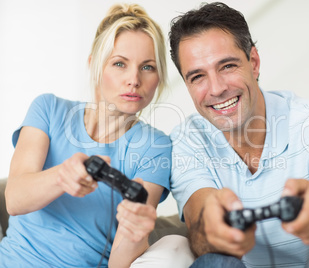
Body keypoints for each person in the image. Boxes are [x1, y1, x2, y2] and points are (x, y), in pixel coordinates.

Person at [168, 2, 309, 267]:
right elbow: (201, 232)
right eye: (198, 76)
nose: (217, 89)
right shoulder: (187, 140)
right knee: (213, 262)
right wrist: (214, 231)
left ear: (253, 63)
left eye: (227, 66)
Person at [0, 3, 193, 268]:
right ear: (94, 65)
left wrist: (136, 233)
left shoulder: (156, 147)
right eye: (119, 63)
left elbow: (119, 262)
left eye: (147, 67)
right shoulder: (48, 109)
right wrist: (61, 176)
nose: (134, 79)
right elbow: (14, 199)